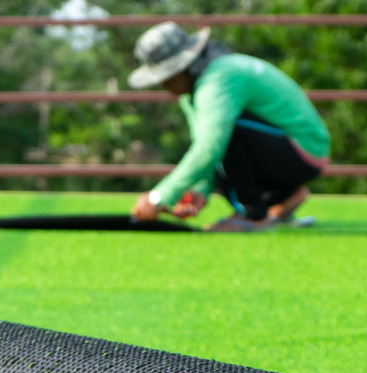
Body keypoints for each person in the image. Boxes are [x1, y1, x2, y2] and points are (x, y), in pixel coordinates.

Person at [127, 22, 330, 232]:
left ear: (185, 65)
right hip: (288, 152)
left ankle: (253, 216)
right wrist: (199, 191)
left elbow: (210, 146)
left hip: (303, 150)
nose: (163, 84)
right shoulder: (194, 89)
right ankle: (285, 198)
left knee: (227, 133)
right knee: (220, 135)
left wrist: (158, 197)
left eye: (166, 75)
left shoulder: (219, 80)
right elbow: (202, 141)